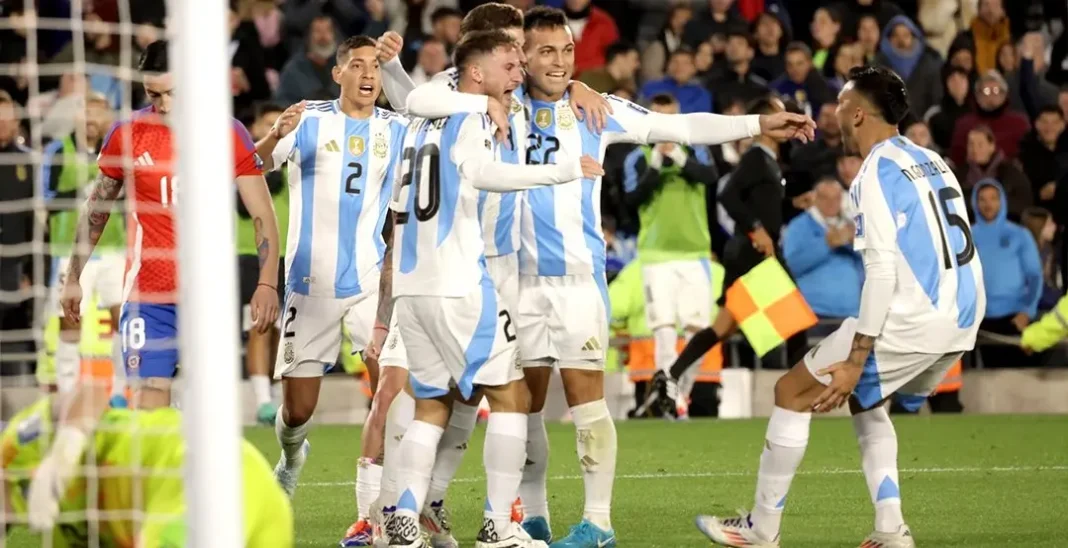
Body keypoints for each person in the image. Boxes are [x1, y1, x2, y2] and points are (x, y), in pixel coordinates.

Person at [514, 8, 814, 547]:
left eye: (566, 52)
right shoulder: (498, 106)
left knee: (587, 403)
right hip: (517, 280)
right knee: (527, 409)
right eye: (546, 52)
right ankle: (533, 518)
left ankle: (598, 524)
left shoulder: (595, 112)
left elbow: (680, 127)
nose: (559, 62)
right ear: (522, 56)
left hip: (578, 281)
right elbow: (436, 95)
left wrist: (755, 124)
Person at [346, 5, 614, 546]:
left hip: (415, 284)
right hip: (461, 281)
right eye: (509, 64)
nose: (519, 74)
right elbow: (483, 173)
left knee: (431, 403)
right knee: (513, 397)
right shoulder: (472, 112)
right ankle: (498, 526)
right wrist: (562, 170)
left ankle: (402, 519)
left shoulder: (426, 117)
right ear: (476, 69)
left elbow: (416, 111)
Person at [694, 65, 985, 548]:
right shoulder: (932, 159)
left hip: (913, 321)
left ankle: (761, 531)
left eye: (839, 104)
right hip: (962, 318)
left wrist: (856, 357)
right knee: (865, 401)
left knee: (791, 392)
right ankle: (890, 529)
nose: (831, 113)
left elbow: (882, 273)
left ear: (855, 115)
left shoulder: (872, 173)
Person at [30, 39, 283, 533]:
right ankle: (147, 523)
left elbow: (262, 213)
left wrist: (267, 282)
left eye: (169, 94)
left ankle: (206, 516)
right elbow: (98, 208)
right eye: (153, 94)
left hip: (208, 298)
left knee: (209, 416)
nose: (161, 104)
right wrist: (74, 276)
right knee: (149, 408)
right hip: (149, 296)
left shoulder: (224, 132)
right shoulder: (128, 134)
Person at [252, 36, 407, 505]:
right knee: (298, 411)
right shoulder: (308, 120)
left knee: (392, 392)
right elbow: (251, 166)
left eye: (375, 68)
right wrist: (275, 134)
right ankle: (292, 455)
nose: (368, 75)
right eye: (357, 66)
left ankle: (380, 506)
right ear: (337, 74)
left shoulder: (398, 129)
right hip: (308, 283)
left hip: (367, 280)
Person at [649, 95, 811, 420]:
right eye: (779, 116)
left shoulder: (767, 160)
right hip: (753, 254)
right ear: (765, 123)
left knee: (724, 327)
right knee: (795, 324)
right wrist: (756, 229)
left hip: (754, 253)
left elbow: (757, 200)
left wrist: (791, 204)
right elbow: (727, 194)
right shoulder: (755, 158)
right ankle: (800, 397)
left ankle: (670, 375)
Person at [1, 396, 292, 546]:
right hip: (263, 516)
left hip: (202, 473)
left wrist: (64, 453)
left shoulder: (18, 445)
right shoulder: (53, 531)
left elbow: (88, 392)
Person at [621, 93, 720, 419]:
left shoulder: (696, 148)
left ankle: (680, 396)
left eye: (671, 119)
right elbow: (632, 198)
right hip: (656, 256)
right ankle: (668, 402)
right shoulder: (637, 157)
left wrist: (676, 156)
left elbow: (711, 178)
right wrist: (655, 164)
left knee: (698, 333)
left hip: (695, 253)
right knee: (663, 331)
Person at [40, 92, 125, 401]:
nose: (92, 120)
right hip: (69, 251)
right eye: (87, 113)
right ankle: (67, 390)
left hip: (115, 249)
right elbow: (44, 197)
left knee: (123, 318)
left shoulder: (116, 152)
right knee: (71, 316)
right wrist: (84, 192)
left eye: (99, 113)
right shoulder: (58, 151)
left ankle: (118, 391)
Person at [240, 102, 290, 425]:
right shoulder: (243, 165)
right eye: (269, 124)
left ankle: (275, 398)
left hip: (292, 256)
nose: (277, 129)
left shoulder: (294, 166)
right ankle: (262, 401)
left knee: (282, 330)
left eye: (281, 124)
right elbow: (245, 209)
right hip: (250, 255)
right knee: (260, 326)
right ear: (257, 128)